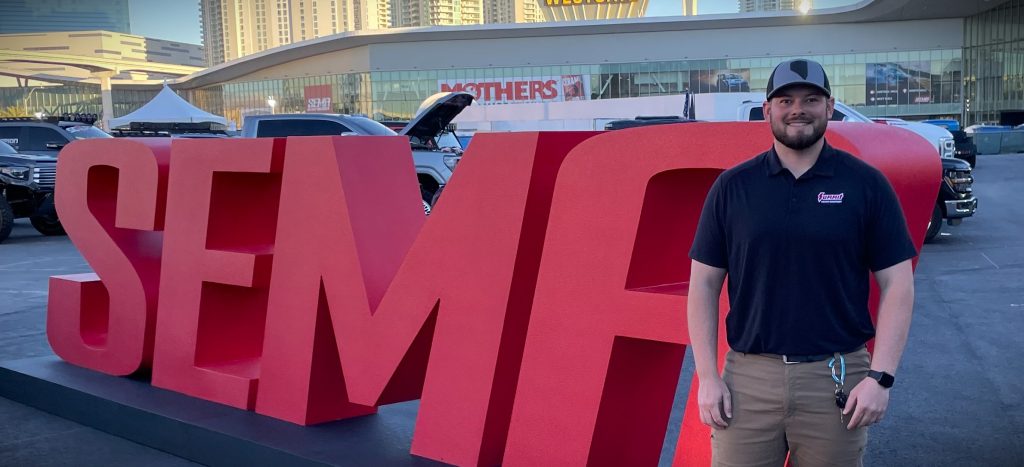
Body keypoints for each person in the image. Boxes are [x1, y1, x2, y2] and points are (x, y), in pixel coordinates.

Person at [687, 58, 917, 466]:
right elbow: (703, 285)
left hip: (837, 378)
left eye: (811, 99)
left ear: (830, 107)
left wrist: (881, 378)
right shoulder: (733, 187)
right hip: (749, 381)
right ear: (767, 110)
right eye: (786, 100)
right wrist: (707, 377)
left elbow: (898, 283)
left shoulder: (866, 185)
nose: (798, 109)